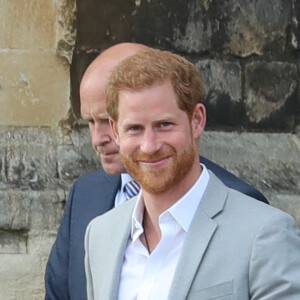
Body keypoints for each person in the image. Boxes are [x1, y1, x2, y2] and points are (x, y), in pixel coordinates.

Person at [45, 43, 268, 300]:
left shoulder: (253, 217)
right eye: (134, 127)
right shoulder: (89, 205)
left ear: (196, 121)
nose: (97, 139)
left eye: (163, 124)